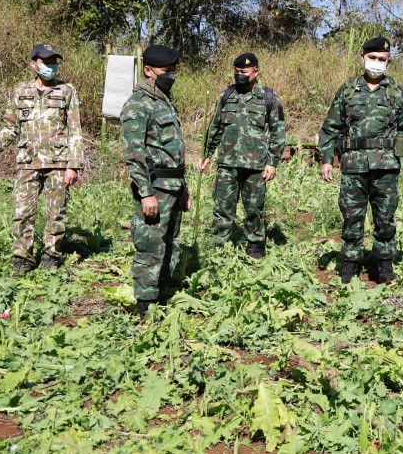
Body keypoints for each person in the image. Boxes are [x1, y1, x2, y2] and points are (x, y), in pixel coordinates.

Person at [317, 37, 403, 284]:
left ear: (388, 62)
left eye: (382, 60)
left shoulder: (396, 91)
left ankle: (383, 264)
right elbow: (330, 127)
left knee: (385, 217)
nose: (376, 63)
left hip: (386, 166)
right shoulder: (348, 89)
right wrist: (326, 160)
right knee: (351, 215)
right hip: (353, 165)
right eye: (372, 58)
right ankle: (350, 263)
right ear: (362, 58)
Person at [0, 43, 83, 276]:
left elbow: (75, 129)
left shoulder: (67, 91)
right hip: (28, 161)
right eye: (47, 62)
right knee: (22, 211)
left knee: (56, 211)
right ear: (33, 64)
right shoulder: (20, 91)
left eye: (54, 62)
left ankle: (51, 255)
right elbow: (11, 128)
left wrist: (73, 165)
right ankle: (22, 258)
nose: (51, 67)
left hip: (58, 162)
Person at [120, 44, 188, 318]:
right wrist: (145, 193)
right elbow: (134, 155)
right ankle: (145, 306)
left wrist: (184, 189)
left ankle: (162, 295)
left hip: (173, 186)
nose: (170, 75)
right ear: (148, 71)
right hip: (155, 188)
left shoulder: (164, 101)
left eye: (173, 70)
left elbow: (174, 150)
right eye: (165, 70)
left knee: (171, 243)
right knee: (150, 246)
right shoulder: (138, 105)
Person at [197, 53, 286, 259]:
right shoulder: (226, 95)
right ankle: (219, 246)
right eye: (237, 72)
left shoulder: (269, 98)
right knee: (222, 207)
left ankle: (254, 245)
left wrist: (272, 163)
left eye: (244, 72)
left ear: (256, 72)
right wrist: (207, 154)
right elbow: (215, 127)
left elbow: (278, 133)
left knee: (255, 208)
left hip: (256, 166)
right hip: (227, 164)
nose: (240, 76)